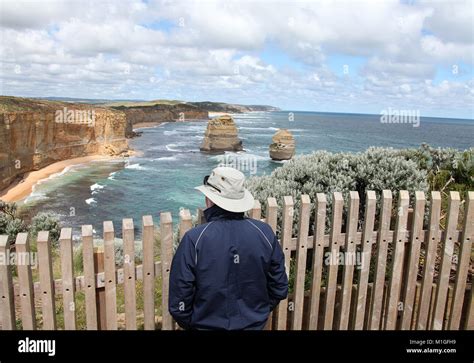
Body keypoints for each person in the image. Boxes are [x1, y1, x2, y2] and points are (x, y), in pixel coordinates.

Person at [169, 166, 288, 330]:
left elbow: (179, 302)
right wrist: (257, 315)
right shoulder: (264, 233)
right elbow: (279, 287)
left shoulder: (194, 239)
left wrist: (196, 324)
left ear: (209, 200)